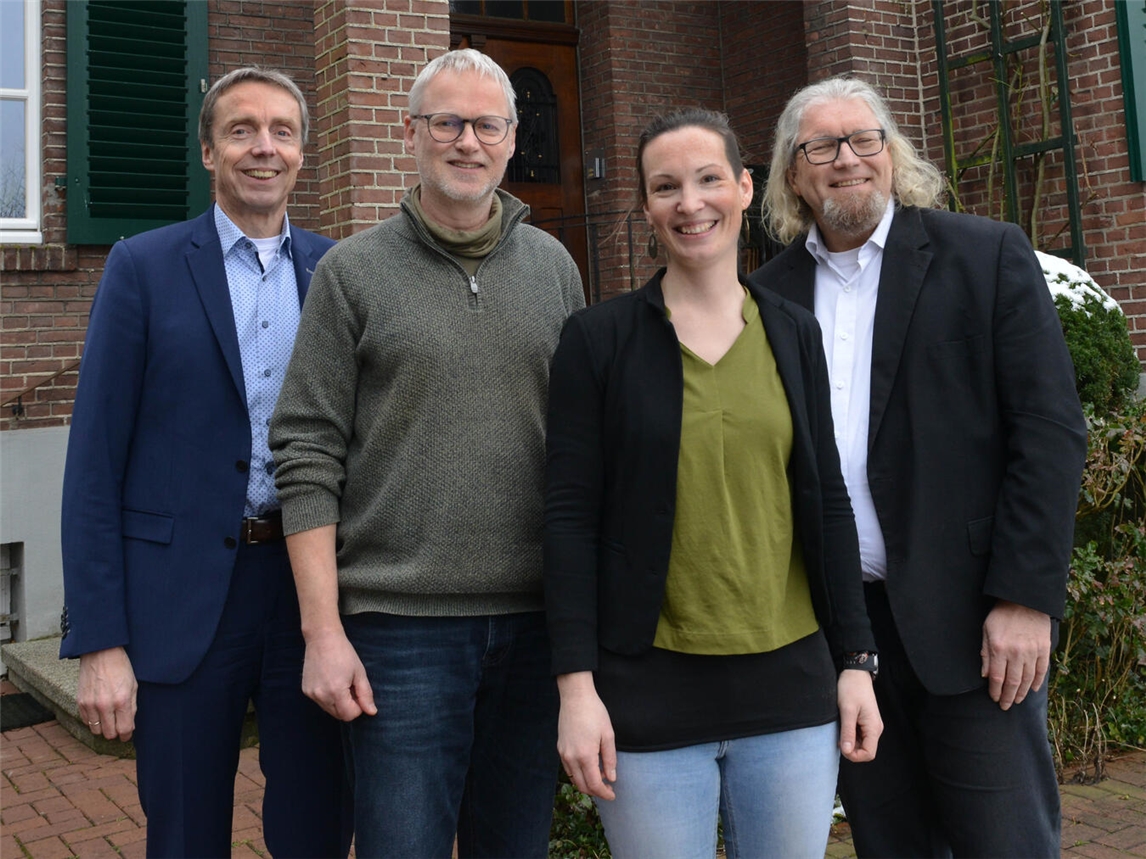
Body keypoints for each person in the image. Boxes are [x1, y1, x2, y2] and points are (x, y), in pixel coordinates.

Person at [749, 76, 1088, 858]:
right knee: (890, 842)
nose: (847, 160)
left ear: (891, 155)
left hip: (975, 628)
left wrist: (1025, 599)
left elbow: (1049, 429)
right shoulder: (765, 298)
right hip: (845, 637)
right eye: (821, 147)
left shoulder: (984, 254)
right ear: (793, 173)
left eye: (864, 139)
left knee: (1004, 844)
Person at [268, 48, 585, 859]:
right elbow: (306, 453)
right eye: (447, 121)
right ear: (412, 133)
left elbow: (583, 450)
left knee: (512, 847)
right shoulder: (351, 273)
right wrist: (323, 632)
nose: (466, 141)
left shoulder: (553, 268)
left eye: (487, 124)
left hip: (533, 626)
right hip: (399, 632)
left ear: (514, 139)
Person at [544, 108, 882, 859]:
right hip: (647, 690)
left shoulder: (795, 332)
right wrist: (575, 687)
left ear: (744, 186)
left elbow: (828, 500)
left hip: (790, 687)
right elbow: (568, 520)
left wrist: (856, 662)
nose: (689, 203)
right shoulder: (597, 342)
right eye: (665, 187)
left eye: (707, 180)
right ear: (646, 208)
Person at [58, 67, 351, 858]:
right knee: (184, 833)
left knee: (317, 827)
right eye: (242, 130)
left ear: (302, 153)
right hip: (182, 601)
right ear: (208, 151)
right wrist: (99, 639)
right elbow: (94, 462)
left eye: (282, 131)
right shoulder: (143, 267)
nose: (264, 147)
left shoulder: (340, 273)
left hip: (310, 597)